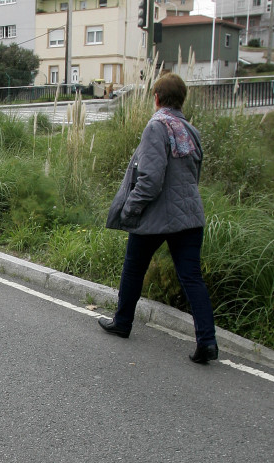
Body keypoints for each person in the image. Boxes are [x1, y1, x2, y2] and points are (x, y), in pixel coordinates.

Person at [98, 73, 219, 364]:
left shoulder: (157, 127)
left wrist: (130, 209)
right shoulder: (190, 129)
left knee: (133, 268)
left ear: (156, 98)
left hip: (155, 216)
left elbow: (150, 179)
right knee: (192, 278)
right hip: (189, 216)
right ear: (182, 99)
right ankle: (208, 342)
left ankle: (123, 323)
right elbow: (194, 175)